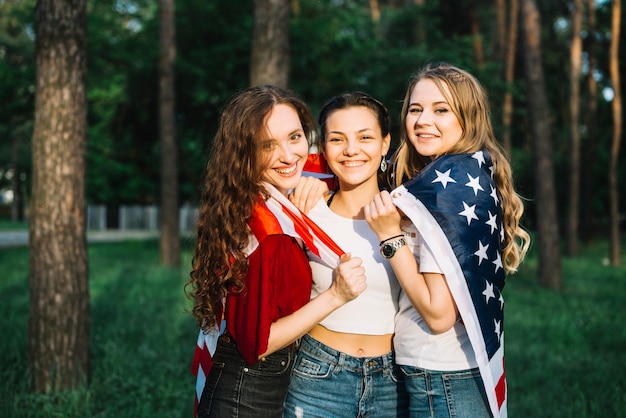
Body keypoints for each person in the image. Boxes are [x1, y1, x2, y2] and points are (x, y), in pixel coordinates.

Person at [186, 85, 367, 418]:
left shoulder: (250, 198)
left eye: (295, 137)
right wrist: (336, 296)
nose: (288, 155)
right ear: (245, 153)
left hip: (248, 383)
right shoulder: (267, 231)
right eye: (268, 145)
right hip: (248, 391)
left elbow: (344, 160)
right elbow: (259, 344)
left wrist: (321, 180)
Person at [364, 62, 531, 418]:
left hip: (441, 377)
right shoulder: (451, 175)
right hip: (439, 373)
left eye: (441, 110)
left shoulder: (449, 190)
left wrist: (390, 237)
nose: (424, 120)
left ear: (467, 119)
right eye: (415, 109)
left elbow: (439, 315)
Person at [284, 92, 409, 418]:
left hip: (392, 381)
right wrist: (316, 185)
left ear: (385, 144)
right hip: (317, 375)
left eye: (365, 137)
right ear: (323, 149)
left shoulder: (407, 216)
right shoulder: (303, 211)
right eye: (337, 139)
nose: (351, 149)